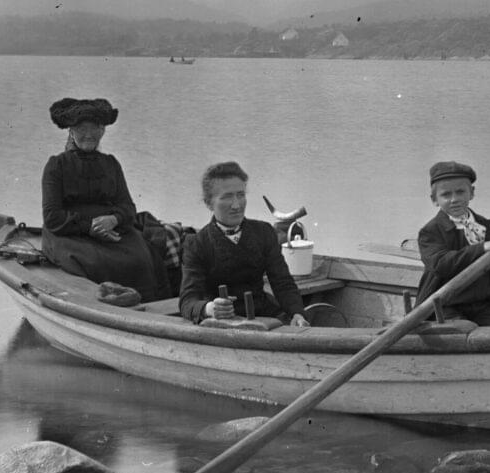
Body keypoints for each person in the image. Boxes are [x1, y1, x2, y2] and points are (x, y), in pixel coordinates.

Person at [41, 97, 168, 302]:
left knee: (141, 258)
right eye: (82, 128)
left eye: (95, 128)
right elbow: (52, 216)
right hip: (70, 233)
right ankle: (100, 306)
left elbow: (127, 206)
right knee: (92, 263)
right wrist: (89, 226)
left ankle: (144, 306)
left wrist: (114, 219)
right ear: (71, 131)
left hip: (112, 231)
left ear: (103, 131)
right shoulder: (56, 165)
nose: (89, 134)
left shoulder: (111, 164)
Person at [179, 161, 310, 327]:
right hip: (220, 326)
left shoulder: (264, 232)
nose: (236, 205)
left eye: (240, 195)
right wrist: (210, 308)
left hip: (264, 317)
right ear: (208, 203)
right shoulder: (196, 244)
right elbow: (187, 301)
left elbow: (282, 283)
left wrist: (297, 313)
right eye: (227, 197)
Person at [416, 161, 490, 326]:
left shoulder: (485, 226)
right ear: (434, 199)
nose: (454, 200)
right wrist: (482, 248)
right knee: (460, 331)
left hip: (483, 303)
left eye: (460, 192)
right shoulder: (430, 231)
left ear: (471, 193)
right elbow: (441, 264)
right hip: (444, 304)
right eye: (446, 195)